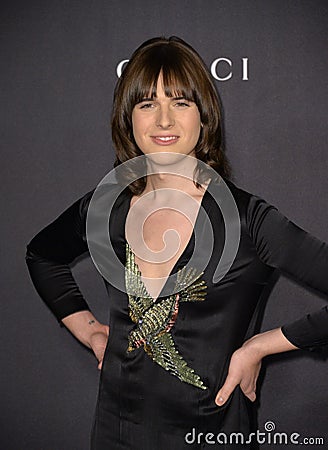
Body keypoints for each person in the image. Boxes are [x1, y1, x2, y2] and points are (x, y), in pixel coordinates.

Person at [25, 36, 328, 450]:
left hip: (215, 431)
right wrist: (92, 331)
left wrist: (260, 345)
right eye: (147, 103)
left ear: (205, 117)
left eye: (181, 102)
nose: (164, 120)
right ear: (127, 119)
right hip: (116, 431)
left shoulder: (248, 220)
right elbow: (42, 255)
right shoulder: (106, 205)